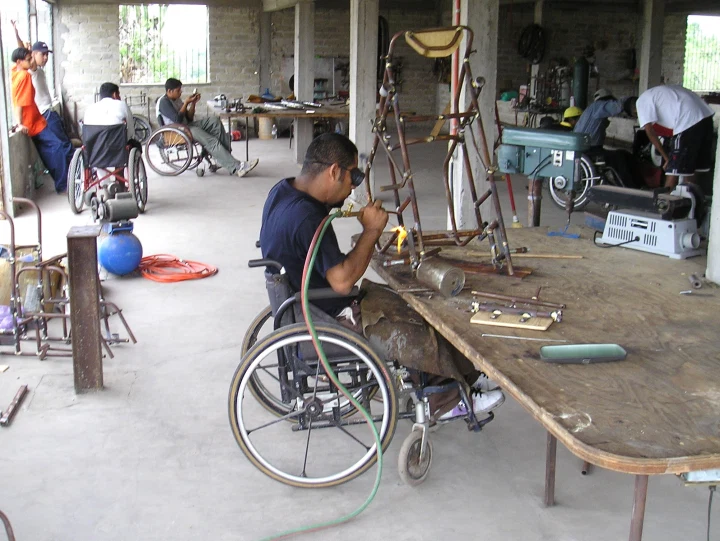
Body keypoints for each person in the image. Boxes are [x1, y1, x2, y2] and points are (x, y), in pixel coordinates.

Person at [259, 133, 505, 422]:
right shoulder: (305, 218)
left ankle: (466, 377)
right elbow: (341, 281)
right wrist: (372, 231)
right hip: (323, 314)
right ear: (334, 171)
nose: (355, 186)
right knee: (416, 323)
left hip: (300, 301)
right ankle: (446, 400)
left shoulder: (284, 191)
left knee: (404, 302)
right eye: (355, 176)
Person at [157, 78, 259, 177]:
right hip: (178, 131)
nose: (180, 92)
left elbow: (189, 117)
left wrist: (193, 103)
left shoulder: (176, 99)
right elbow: (177, 120)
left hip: (187, 126)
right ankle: (237, 167)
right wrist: (186, 103)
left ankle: (224, 159)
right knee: (211, 141)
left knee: (215, 121)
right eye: (178, 90)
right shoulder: (164, 102)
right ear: (169, 91)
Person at [10, 47, 73, 193]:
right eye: (29, 59)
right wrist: (19, 123)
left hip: (35, 120)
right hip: (33, 123)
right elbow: (19, 103)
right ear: (19, 61)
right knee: (58, 146)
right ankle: (63, 184)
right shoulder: (24, 76)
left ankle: (62, 180)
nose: (32, 61)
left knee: (47, 151)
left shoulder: (14, 71)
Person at [627, 85, 715, 189]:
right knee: (692, 168)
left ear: (634, 112)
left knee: (673, 168)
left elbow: (649, 132)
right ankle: (690, 199)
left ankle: (665, 202)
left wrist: (667, 158)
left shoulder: (641, 102)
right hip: (706, 117)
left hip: (688, 119)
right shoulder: (658, 94)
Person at [11, 22, 74, 149]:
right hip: (45, 114)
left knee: (64, 145)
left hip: (49, 112)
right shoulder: (31, 70)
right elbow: (22, 53)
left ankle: (72, 167)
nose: (46, 58)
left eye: (47, 55)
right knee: (63, 146)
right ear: (33, 55)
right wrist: (17, 35)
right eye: (42, 54)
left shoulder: (38, 70)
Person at [574, 88, 638, 188]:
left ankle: (628, 184)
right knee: (619, 156)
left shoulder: (591, 109)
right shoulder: (599, 106)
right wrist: (633, 101)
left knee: (622, 154)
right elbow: (618, 106)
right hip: (589, 149)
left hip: (585, 148)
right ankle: (629, 187)